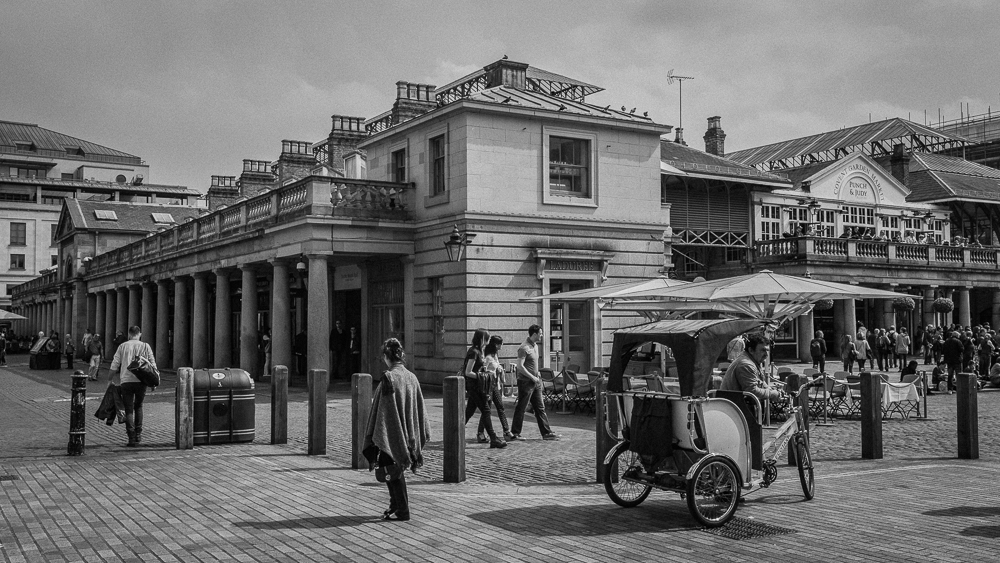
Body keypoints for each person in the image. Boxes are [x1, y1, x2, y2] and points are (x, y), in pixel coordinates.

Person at [362, 338, 430, 522]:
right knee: (392, 470)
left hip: (390, 432)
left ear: (386, 357)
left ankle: (402, 510)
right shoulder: (411, 377)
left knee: (393, 471)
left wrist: (379, 432)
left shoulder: (389, 378)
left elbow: (382, 410)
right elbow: (418, 409)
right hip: (408, 433)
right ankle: (395, 505)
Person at [109, 326, 157, 447]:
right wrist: (154, 382)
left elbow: (115, 364)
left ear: (129, 334)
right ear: (139, 334)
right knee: (139, 406)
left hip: (126, 380)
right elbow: (152, 364)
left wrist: (110, 379)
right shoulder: (146, 346)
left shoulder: (122, 346)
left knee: (128, 408)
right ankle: (138, 435)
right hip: (142, 380)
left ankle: (131, 436)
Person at [510, 324, 559, 441]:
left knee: (540, 407)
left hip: (535, 381)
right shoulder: (524, 348)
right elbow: (520, 367)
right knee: (521, 407)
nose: (542, 335)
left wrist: (537, 374)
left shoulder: (535, 346)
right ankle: (515, 433)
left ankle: (546, 433)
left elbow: (533, 364)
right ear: (535, 334)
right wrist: (532, 376)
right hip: (525, 382)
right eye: (540, 333)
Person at [463, 328, 506, 448]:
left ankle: (455, 432)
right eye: (487, 337)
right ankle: (493, 438)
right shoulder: (474, 352)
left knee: (469, 412)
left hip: (478, 386)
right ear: (482, 338)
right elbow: (468, 372)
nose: (489, 339)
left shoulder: (479, 351)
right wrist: (482, 376)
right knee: (486, 410)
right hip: (476, 387)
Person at [720, 333, 784, 403]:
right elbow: (751, 391)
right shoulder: (746, 364)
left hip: (736, 404)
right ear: (751, 350)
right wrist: (771, 394)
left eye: (767, 351)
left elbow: (761, 382)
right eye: (763, 350)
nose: (766, 354)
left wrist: (770, 389)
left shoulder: (752, 360)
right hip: (733, 407)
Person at [477, 335, 513, 443]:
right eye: (500, 343)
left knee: (500, 407)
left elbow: (496, 366)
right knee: (486, 410)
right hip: (488, 386)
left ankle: (506, 431)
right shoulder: (487, 357)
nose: (502, 345)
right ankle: (480, 432)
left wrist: (499, 369)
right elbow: (482, 370)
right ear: (496, 345)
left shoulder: (495, 355)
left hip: (495, 385)